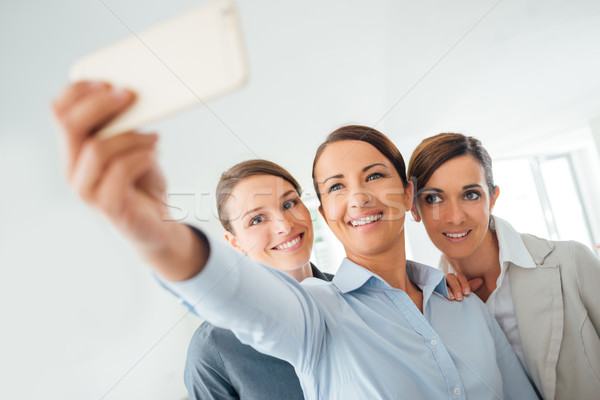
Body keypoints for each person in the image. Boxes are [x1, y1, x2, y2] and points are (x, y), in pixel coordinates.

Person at [53, 82, 538, 399]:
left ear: (408, 193)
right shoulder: (315, 314)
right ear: (326, 212)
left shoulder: (463, 302)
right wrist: (153, 232)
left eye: (375, 176)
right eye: (336, 187)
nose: (359, 197)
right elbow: (231, 290)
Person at [407, 132, 600, 400]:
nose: (455, 217)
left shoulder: (570, 262)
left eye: (470, 194)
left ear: (493, 198)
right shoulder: (429, 308)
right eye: (434, 199)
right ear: (414, 209)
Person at [184, 159, 332, 400]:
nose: (285, 225)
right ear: (235, 243)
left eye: (289, 203)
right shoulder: (213, 349)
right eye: (257, 219)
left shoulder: (357, 297)